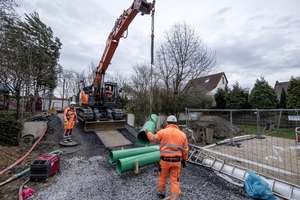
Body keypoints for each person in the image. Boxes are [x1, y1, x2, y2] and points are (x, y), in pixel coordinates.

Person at [145, 115, 188, 200]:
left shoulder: (162, 132)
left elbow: (153, 139)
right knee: (175, 181)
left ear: (167, 123)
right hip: (176, 162)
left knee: (162, 177)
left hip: (164, 161)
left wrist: (148, 133)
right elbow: (185, 151)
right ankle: (174, 198)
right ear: (176, 123)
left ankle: (161, 193)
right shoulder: (182, 135)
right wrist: (184, 160)